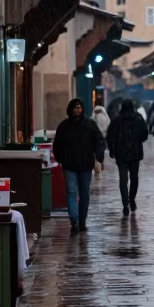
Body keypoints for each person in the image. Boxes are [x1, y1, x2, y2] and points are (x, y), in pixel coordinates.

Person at [53, 98, 105, 234]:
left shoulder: (89, 124)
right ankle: (74, 221)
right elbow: (57, 144)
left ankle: (82, 220)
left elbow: (99, 140)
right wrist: (60, 158)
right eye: (75, 108)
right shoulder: (64, 126)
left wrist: (99, 156)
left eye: (79, 107)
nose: (77, 110)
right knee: (71, 192)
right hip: (69, 165)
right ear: (70, 109)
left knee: (84, 193)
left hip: (85, 164)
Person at [106, 99, 149, 216]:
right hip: (135, 153)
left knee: (123, 180)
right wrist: (137, 141)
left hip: (121, 153)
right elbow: (145, 134)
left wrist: (112, 149)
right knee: (134, 178)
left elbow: (110, 136)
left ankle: (125, 204)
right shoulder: (138, 118)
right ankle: (132, 200)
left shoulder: (116, 120)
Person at [92, 104, 110, 173]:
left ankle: (96, 165)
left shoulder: (94, 115)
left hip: (95, 136)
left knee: (95, 151)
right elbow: (109, 124)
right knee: (101, 151)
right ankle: (100, 164)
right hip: (103, 136)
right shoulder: (105, 115)